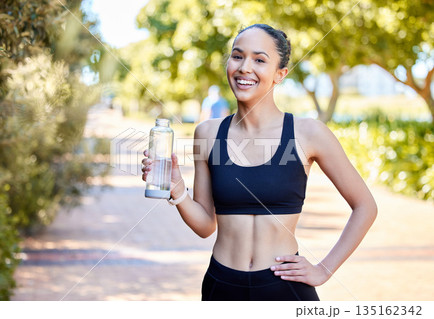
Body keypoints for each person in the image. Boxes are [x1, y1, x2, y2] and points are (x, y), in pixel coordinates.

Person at [141, 23, 377, 301]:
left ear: (280, 74)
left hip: (284, 288)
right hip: (222, 286)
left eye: (260, 60)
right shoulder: (207, 133)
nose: (244, 67)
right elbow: (206, 226)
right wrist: (178, 191)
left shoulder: (308, 133)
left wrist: (323, 270)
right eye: (237, 56)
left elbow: (365, 206)